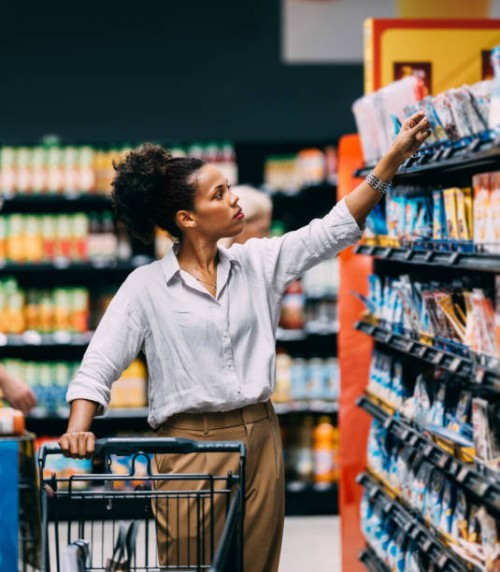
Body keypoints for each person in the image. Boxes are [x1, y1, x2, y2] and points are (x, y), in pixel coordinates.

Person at [59, 111, 430, 571]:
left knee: (257, 565)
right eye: (219, 194)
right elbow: (99, 363)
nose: (236, 200)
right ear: (187, 218)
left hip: (259, 435)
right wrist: (79, 425)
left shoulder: (258, 263)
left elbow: (332, 229)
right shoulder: (146, 287)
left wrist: (390, 160)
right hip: (187, 447)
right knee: (190, 564)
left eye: (229, 189)